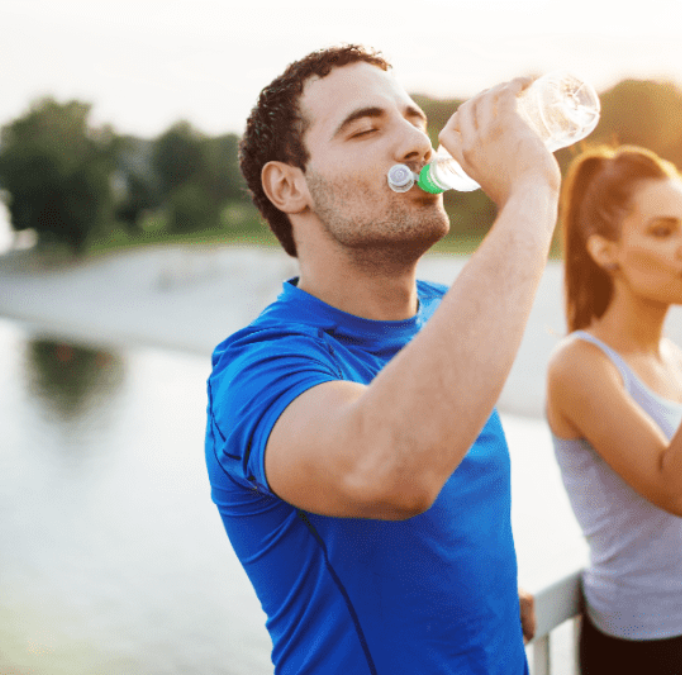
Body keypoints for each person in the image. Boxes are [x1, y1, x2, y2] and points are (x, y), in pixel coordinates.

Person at [204, 44, 560, 674]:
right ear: (289, 186)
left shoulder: (448, 315)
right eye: (366, 129)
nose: (417, 144)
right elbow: (390, 467)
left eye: (415, 120)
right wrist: (532, 190)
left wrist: (484, 596)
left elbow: (440, 531)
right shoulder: (256, 371)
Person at [544, 145, 682, 674]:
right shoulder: (579, 366)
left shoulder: (673, 357)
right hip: (646, 641)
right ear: (606, 251)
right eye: (663, 231)